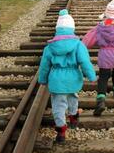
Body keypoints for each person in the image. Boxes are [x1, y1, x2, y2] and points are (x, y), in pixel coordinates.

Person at [38, 9, 96, 143]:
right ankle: (73, 118)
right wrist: (91, 76)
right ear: (72, 29)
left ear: (57, 29)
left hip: (56, 79)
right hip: (73, 78)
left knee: (58, 105)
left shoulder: (50, 47)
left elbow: (45, 66)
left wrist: (42, 79)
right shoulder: (78, 45)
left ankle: (61, 132)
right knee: (73, 97)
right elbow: (84, 62)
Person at [82, 0, 114, 116]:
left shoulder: (100, 28)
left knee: (103, 77)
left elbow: (88, 40)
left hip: (104, 55)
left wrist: (83, 48)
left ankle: (100, 101)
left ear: (107, 14)